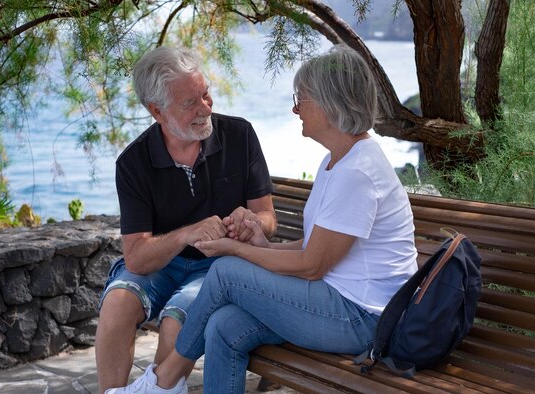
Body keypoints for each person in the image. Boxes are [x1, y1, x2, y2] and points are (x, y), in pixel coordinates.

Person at [110, 44, 419, 394]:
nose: (295, 108)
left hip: (363, 318)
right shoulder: (338, 161)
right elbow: (311, 248)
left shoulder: (358, 172)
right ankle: (166, 382)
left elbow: (311, 266)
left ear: (331, 105)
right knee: (223, 327)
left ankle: (163, 382)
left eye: (301, 98)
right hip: (336, 300)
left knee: (226, 272)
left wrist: (233, 248)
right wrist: (261, 243)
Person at [95, 46, 277, 393]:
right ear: (157, 112)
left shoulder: (240, 136)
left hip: (221, 267)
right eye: (190, 103)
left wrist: (252, 222)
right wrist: (186, 234)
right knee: (117, 304)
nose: (205, 108)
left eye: (206, 94)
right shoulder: (133, 163)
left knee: (174, 323)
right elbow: (136, 257)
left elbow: (267, 218)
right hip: (162, 265)